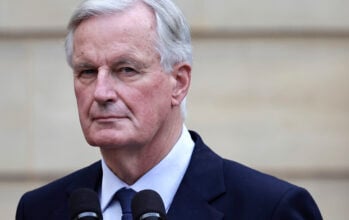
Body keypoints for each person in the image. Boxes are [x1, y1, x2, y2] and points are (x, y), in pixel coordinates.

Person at [16, 0, 322, 219]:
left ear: (178, 82)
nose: (101, 92)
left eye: (126, 69)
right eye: (87, 72)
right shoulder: (40, 209)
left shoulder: (269, 208)